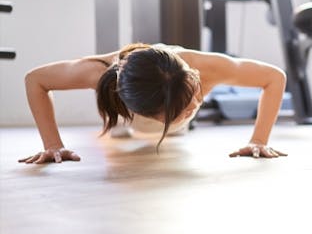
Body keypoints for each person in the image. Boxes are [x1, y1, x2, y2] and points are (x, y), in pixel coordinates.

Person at [19, 43, 287, 164]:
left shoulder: (207, 67)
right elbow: (36, 80)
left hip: (163, 118)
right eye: (178, 110)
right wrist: (53, 144)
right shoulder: (98, 72)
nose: (194, 105)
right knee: (128, 134)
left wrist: (259, 140)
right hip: (134, 122)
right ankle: (126, 127)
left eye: (193, 93)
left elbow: (274, 78)